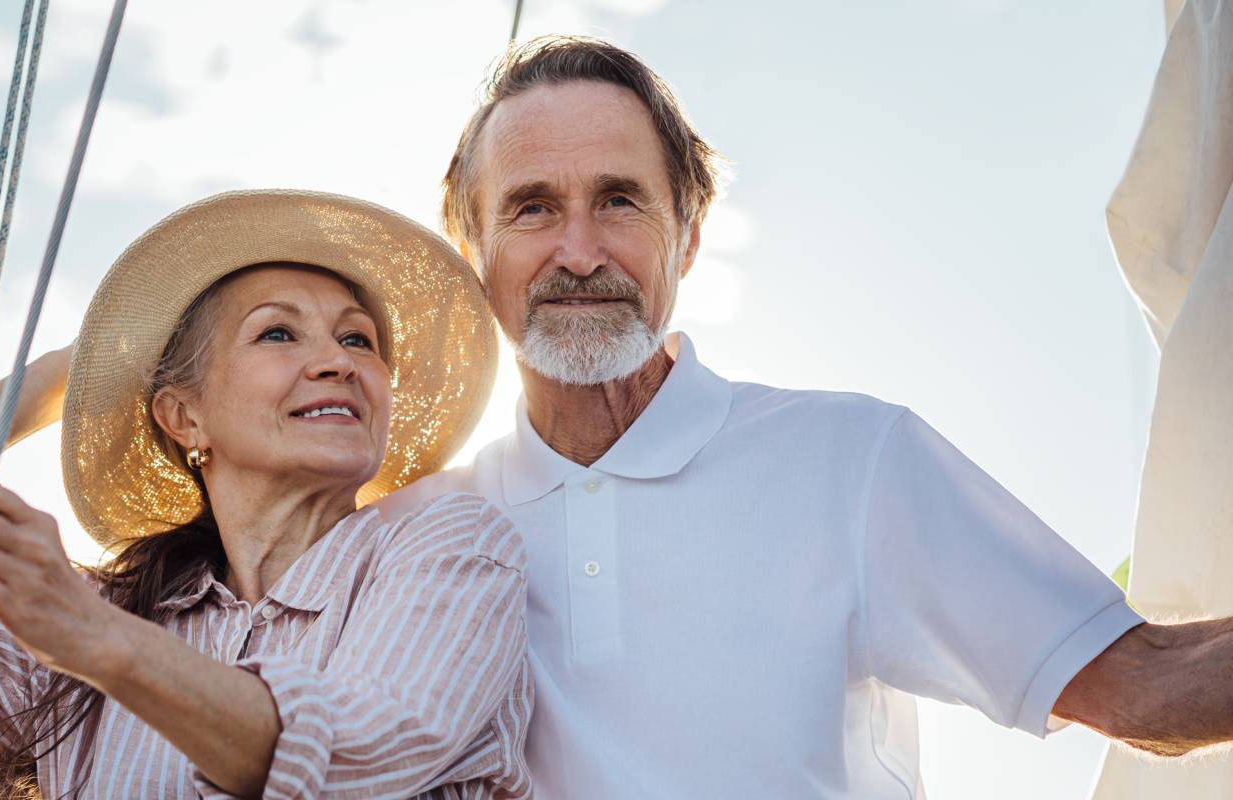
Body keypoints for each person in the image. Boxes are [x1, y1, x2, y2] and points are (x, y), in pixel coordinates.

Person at [367, 34, 1233, 798]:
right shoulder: (409, 535)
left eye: (621, 199)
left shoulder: (850, 459)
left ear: (690, 234)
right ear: (472, 248)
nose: (581, 251)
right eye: (532, 207)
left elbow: (1146, 688)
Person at [0, 190, 532, 799]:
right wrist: (70, 374)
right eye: (279, 333)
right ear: (185, 417)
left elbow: (361, 749)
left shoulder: (451, 548)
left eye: (358, 338)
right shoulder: (97, 626)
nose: (338, 360)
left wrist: (89, 637)